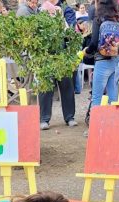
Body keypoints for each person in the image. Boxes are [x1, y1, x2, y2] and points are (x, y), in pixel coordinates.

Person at [38, 0, 78, 130]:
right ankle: (44, 119)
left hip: (63, 55)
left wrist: (63, 24)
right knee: (45, 88)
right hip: (46, 55)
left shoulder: (64, 10)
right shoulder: (40, 11)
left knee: (67, 86)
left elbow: (71, 31)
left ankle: (70, 117)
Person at [84, 0, 119, 109]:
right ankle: (112, 123)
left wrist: (87, 51)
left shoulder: (98, 19)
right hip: (116, 60)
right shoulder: (117, 20)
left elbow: (94, 42)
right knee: (113, 96)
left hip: (102, 61)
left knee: (97, 96)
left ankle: (96, 124)